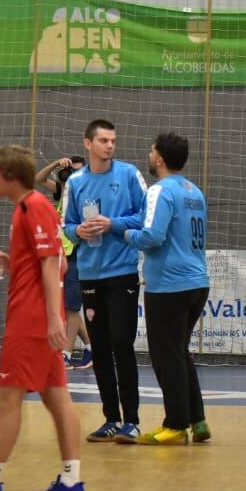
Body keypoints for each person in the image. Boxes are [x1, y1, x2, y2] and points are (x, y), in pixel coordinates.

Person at [0, 146, 87, 491]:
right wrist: (11, 261)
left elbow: (52, 265)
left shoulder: (33, 207)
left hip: (31, 321)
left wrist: (51, 319)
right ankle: (71, 481)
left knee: (6, 398)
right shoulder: (31, 208)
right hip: (38, 319)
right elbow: (46, 262)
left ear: (9, 177)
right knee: (56, 398)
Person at [61, 119, 148, 443]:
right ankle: (111, 417)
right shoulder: (76, 182)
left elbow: (145, 216)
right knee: (100, 346)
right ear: (88, 143)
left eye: (112, 140)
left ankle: (133, 420)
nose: (109, 145)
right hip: (90, 273)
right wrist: (78, 232)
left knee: (122, 344)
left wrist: (112, 223)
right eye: (103, 140)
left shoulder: (128, 174)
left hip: (122, 271)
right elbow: (65, 225)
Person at [124, 132, 212, 446]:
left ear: (159, 158)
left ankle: (175, 424)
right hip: (197, 282)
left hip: (169, 285)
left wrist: (126, 235)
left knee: (165, 356)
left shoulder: (160, 191)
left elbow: (152, 236)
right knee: (179, 352)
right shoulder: (194, 191)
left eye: (151, 151)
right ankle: (197, 420)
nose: (148, 155)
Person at [40, 155, 91, 366]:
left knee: (71, 308)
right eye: (71, 172)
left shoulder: (87, 197)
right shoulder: (64, 193)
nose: (73, 176)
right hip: (61, 255)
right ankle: (91, 346)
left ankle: (66, 355)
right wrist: (55, 163)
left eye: (78, 172)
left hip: (78, 257)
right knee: (67, 307)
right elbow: (39, 178)